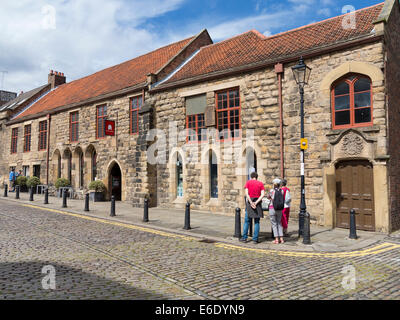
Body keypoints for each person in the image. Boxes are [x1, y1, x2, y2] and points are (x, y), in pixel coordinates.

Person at [240, 172, 265, 244]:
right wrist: (256, 203)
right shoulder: (260, 183)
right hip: (258, 203)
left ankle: (244, 238)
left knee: (247, 221)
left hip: (250, 203)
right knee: (257, 222)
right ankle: (255, 239)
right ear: (257, 177)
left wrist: (251, 202)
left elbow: (246, 194)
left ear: (251, 177)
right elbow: (263, 194)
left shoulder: (248, 183)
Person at [267, 178, 284, 244]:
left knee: (274, 223)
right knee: (279, 223)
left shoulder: (272, 191)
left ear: (274, 184)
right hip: (280, 208)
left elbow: (268, 197)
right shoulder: (281, 191)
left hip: (272, 208)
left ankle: (276, 239)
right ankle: (281, 239)